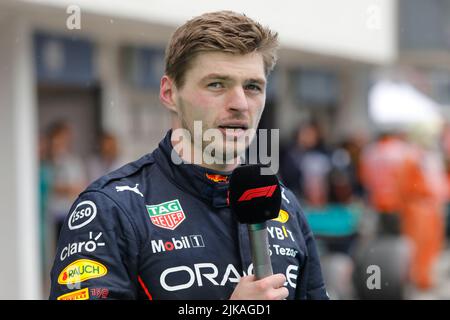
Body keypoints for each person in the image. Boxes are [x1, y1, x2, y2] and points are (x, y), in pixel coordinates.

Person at [49, 11, 328, 300]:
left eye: (252, 86)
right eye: (216, 84)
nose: (240, 104)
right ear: (170, 93)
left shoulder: (282, 203)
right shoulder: (110, 209)